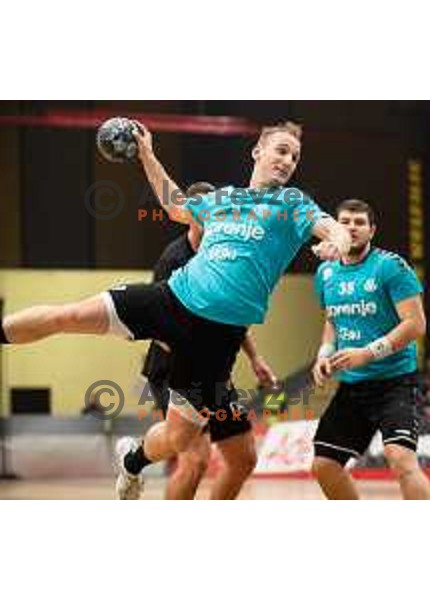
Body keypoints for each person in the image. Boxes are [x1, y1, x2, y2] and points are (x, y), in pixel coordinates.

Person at [0, 120, 351, 501]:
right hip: (171, 300)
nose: (288, 161)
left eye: (295, 157)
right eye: (281, 150)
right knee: (66, 316)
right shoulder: (221, 199)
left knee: (180, 438)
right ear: (258, 152)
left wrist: (337, 243)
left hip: (215, 340)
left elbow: (334, 228)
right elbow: (174, 205)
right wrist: (148, 154)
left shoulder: (292, 205)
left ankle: (133, 460)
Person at [141, 181, 277, 500]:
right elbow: (155, 322)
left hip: (213, 370)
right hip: (172, 367)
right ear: (188, 214)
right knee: (195, 458)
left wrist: (254, 358)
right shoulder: (173, 260)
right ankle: (137, 455)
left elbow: (231, 316)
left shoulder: (225, 255)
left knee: (243, 459)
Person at [310, 199, 430, 499]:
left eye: (359, 222)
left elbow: (416, 324)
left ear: (372, 231)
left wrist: (367, 353)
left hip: (395, 383)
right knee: (324, 465)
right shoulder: (325, 273)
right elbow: (332, 319)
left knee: (401, 461)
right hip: (352, 387)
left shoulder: (390, 267)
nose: (351, 228)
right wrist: (323, 355)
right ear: (333, 229)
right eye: (344, 222)